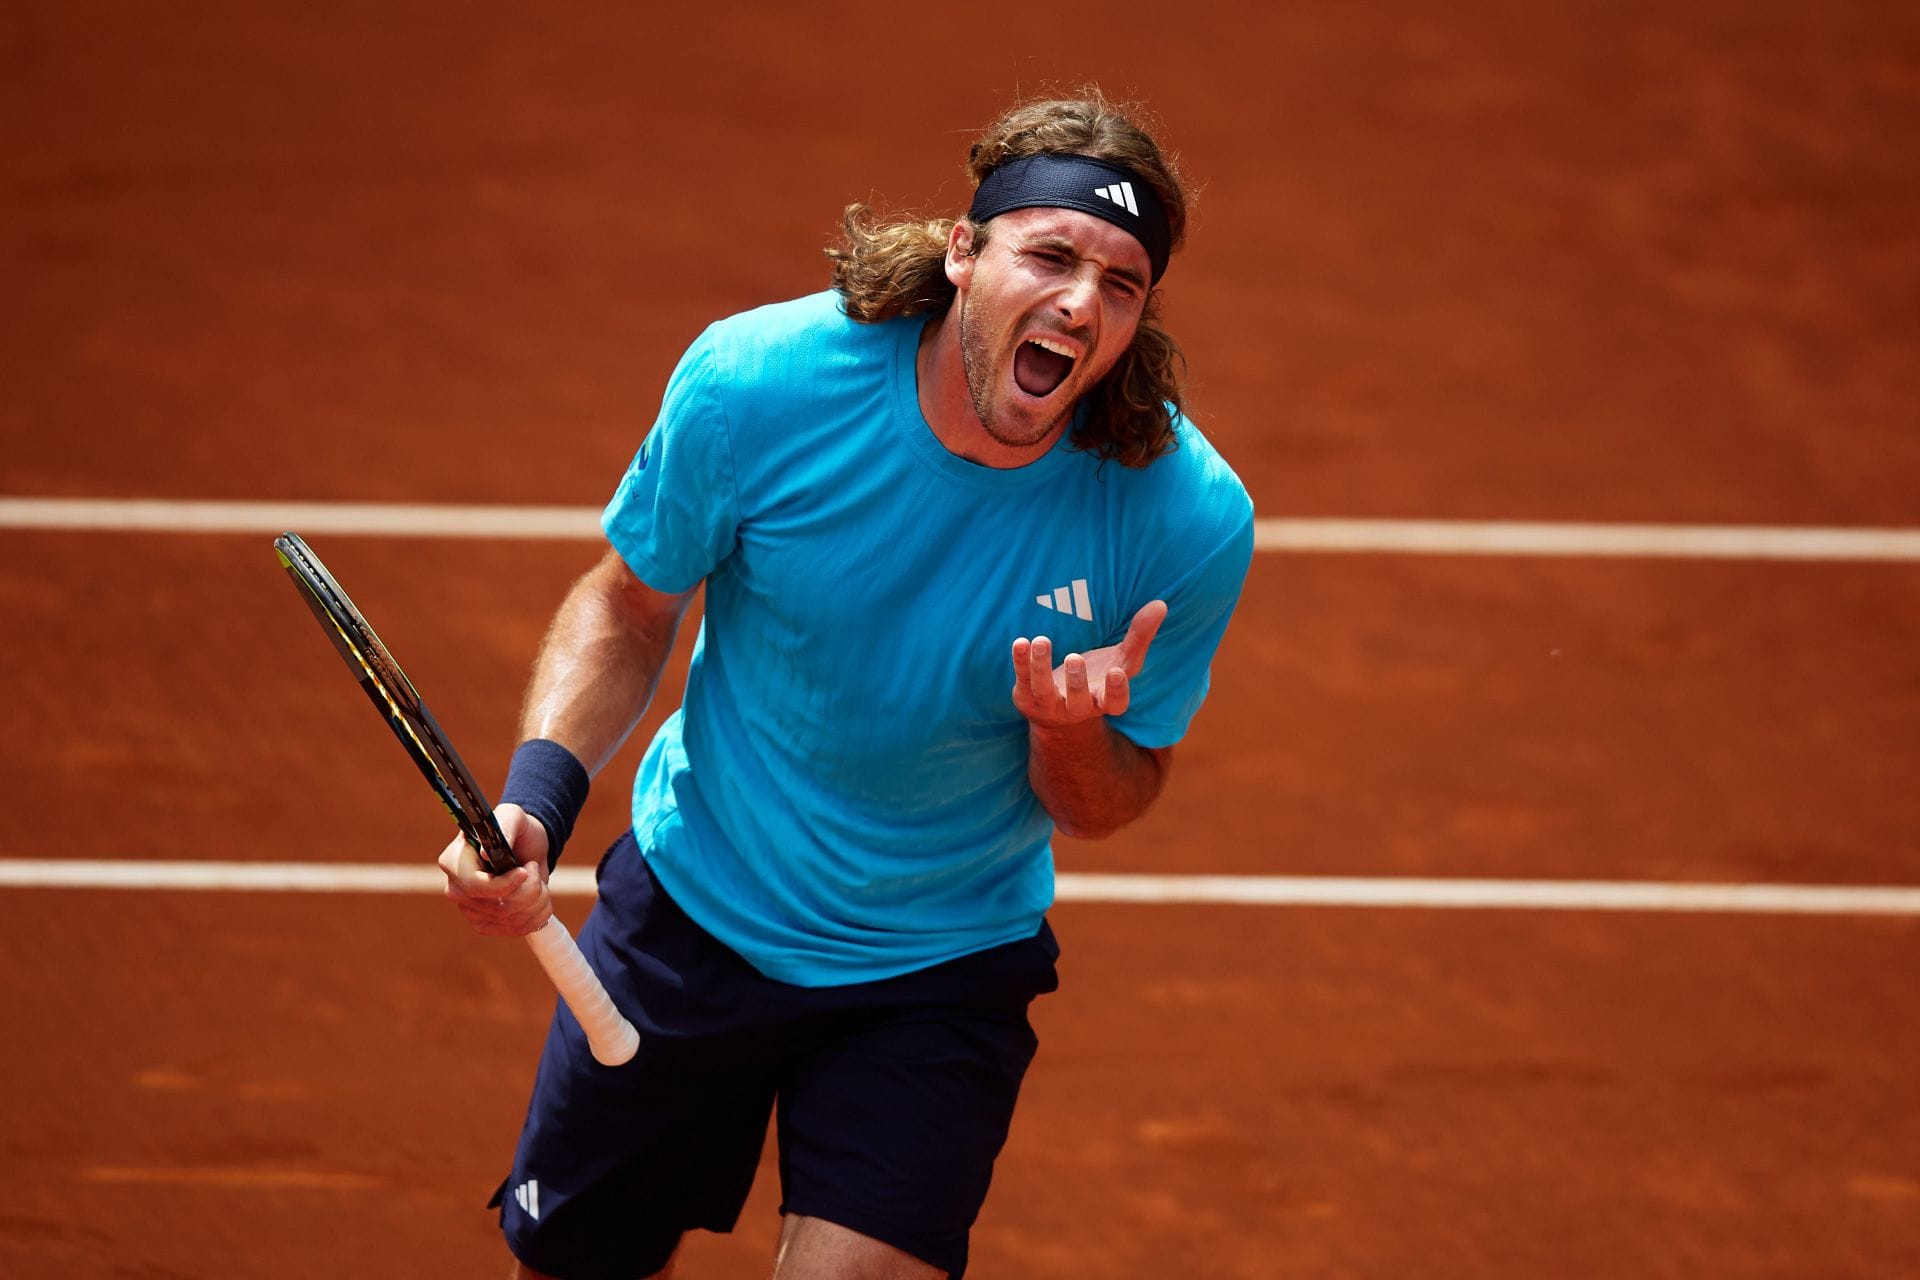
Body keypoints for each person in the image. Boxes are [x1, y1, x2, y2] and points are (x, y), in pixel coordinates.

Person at [438, 88, 1255, 1280]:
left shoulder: (1183, 511)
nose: (1082, 301)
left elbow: (1108, 800)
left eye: (1122, 284)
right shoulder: (761, 383)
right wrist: (538, 798)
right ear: (965, 254)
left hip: (938, 966)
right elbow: (628, 603)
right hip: (697, 908)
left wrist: (1067, 738)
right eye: (1054, 254)